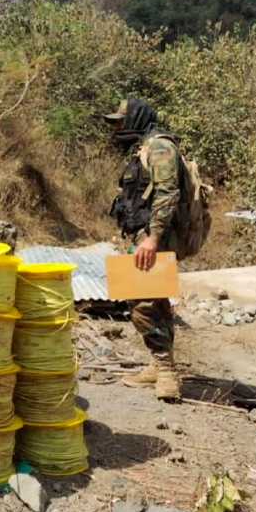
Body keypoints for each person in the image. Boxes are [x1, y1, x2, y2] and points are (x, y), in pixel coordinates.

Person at [104, 97, 181, 401]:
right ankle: (157, 366)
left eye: (121, 121)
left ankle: (166, 374)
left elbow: (168, 193)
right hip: (144, 237)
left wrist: (153, 238)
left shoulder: (160, 148)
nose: (118, 128)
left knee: (142, 304)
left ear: (136, 118)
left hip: (152, 239)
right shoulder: (146, 147)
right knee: (155, 301)